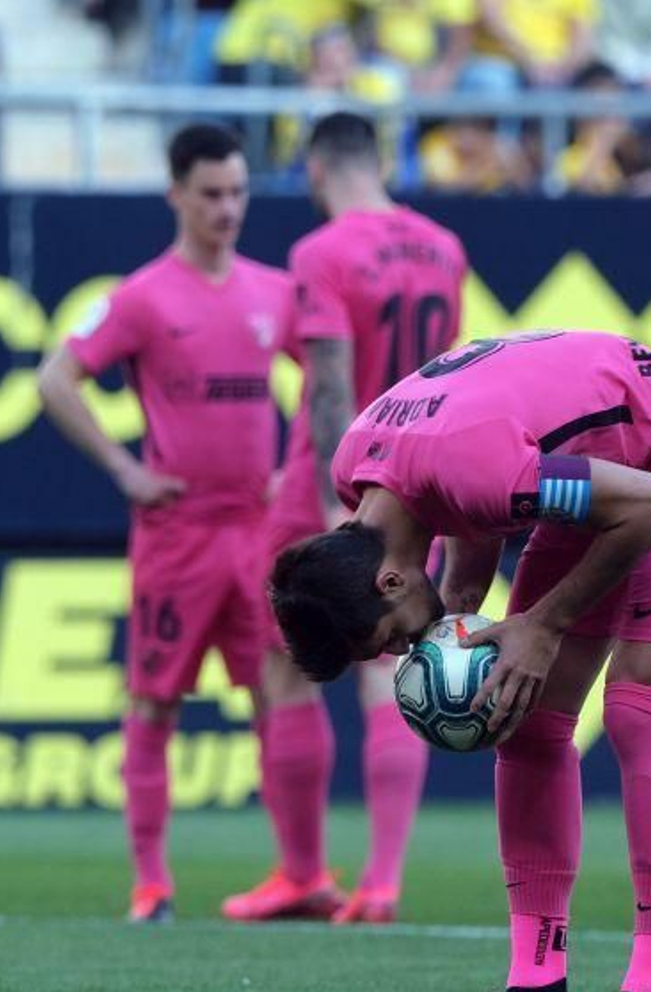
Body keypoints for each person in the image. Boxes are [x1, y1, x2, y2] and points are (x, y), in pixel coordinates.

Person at [269, 328, 651, 992]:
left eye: (388, 639)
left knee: (639, 711)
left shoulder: (470, 470)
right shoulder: (363, 473)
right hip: (597, 475)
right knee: (526, 722)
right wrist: (466, 598)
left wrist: (543, 623)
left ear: (390, 581)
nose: (403, 650)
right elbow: (469, 504)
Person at [36, 124, 295, 923]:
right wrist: (125, 470)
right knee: (154, 702)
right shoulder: (144, 295)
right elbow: (55, 377)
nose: (228, 209)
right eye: (211, 194)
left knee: (277, 698)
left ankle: (296, 874)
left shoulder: (273, 290)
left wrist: (304, 472)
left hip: (258, 530)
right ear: (176, 194)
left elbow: (326, 379)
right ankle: (151, 884)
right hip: (178, 534)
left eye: (238, 193)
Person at [222, 112, 468, 925]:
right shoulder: (443, 246)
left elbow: (329, 385)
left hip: (335, 481)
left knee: (288, 665)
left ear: (316, 171)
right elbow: (450, 373)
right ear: (382, 159)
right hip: (419, 480)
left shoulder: (320, 252)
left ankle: (302, 874)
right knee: (387, 663)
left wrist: (342, 505)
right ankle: (384, 879)